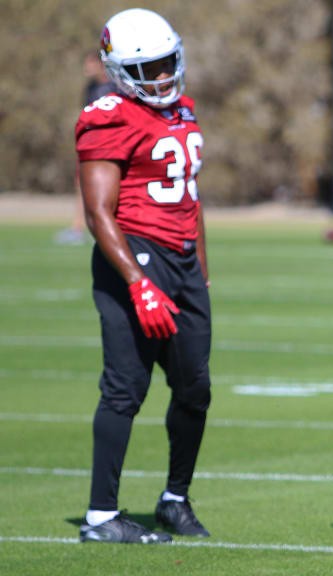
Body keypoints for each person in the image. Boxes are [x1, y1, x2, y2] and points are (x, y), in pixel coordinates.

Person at [76, 8, 212, 544]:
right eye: (147, 68)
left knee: (195, 387)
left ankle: (174, 499)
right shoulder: (108, 115)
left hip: (181, 263)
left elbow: (191, 200)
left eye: (165, 63)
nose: (160, 76)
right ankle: (100, 517)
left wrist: (202, 273)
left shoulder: (182, 110)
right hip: (132, 257)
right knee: (125, 389)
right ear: (119, 70)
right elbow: (97, 212)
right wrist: (138, 282)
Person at [56, 52, 119, 247]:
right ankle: (79, 227)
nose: (86, 68)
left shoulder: (115, 87)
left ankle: (107, 226)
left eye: (90, 64)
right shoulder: (91, 87)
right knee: (82, 185)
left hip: (110, 147)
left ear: (101, 65)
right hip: (90, 145)